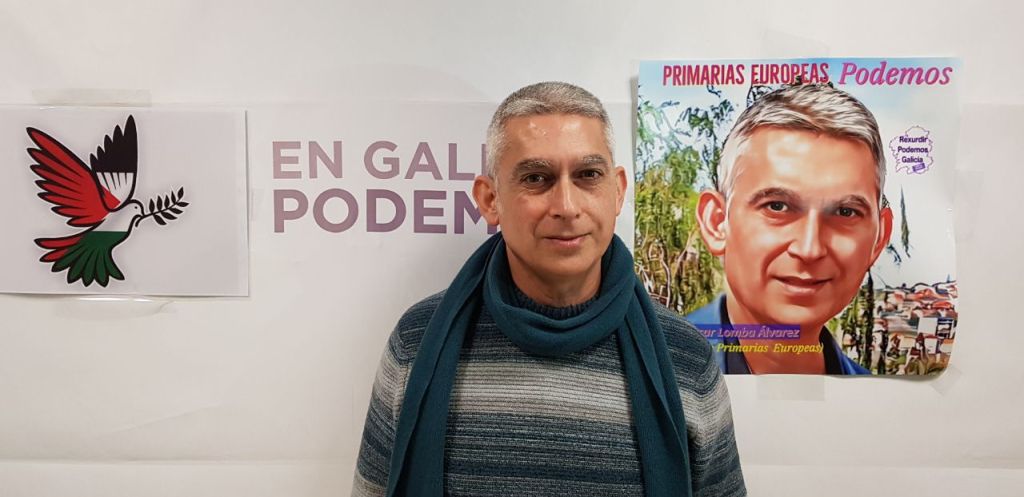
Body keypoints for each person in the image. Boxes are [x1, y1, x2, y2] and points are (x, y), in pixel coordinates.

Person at [353, 82, 745, 497]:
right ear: (490, 199)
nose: (567, 206)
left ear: (617, 191)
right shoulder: (417, 343)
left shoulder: (685, 356)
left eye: (588, 175)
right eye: (536, 178)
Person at [689, 83, 894, 375]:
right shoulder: (655, 370)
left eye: (845, 212)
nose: (810, 249)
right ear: (716, 222)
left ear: (878, 238)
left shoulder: (879, 393)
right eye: (777, 207)